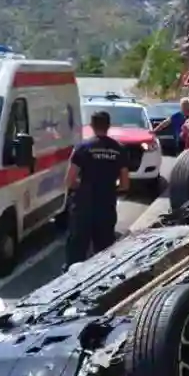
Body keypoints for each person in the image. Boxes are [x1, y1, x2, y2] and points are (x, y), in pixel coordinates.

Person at [64, 110, 130, 268]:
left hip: (83, 207)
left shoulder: (82, 148)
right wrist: (110, 188)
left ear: (92, 126)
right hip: (106, 206)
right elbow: (125, 184)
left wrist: (81, 187)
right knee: (104, 253)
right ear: (109, 126)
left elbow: (69, 180)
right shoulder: (119, 149)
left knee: (76, 252)